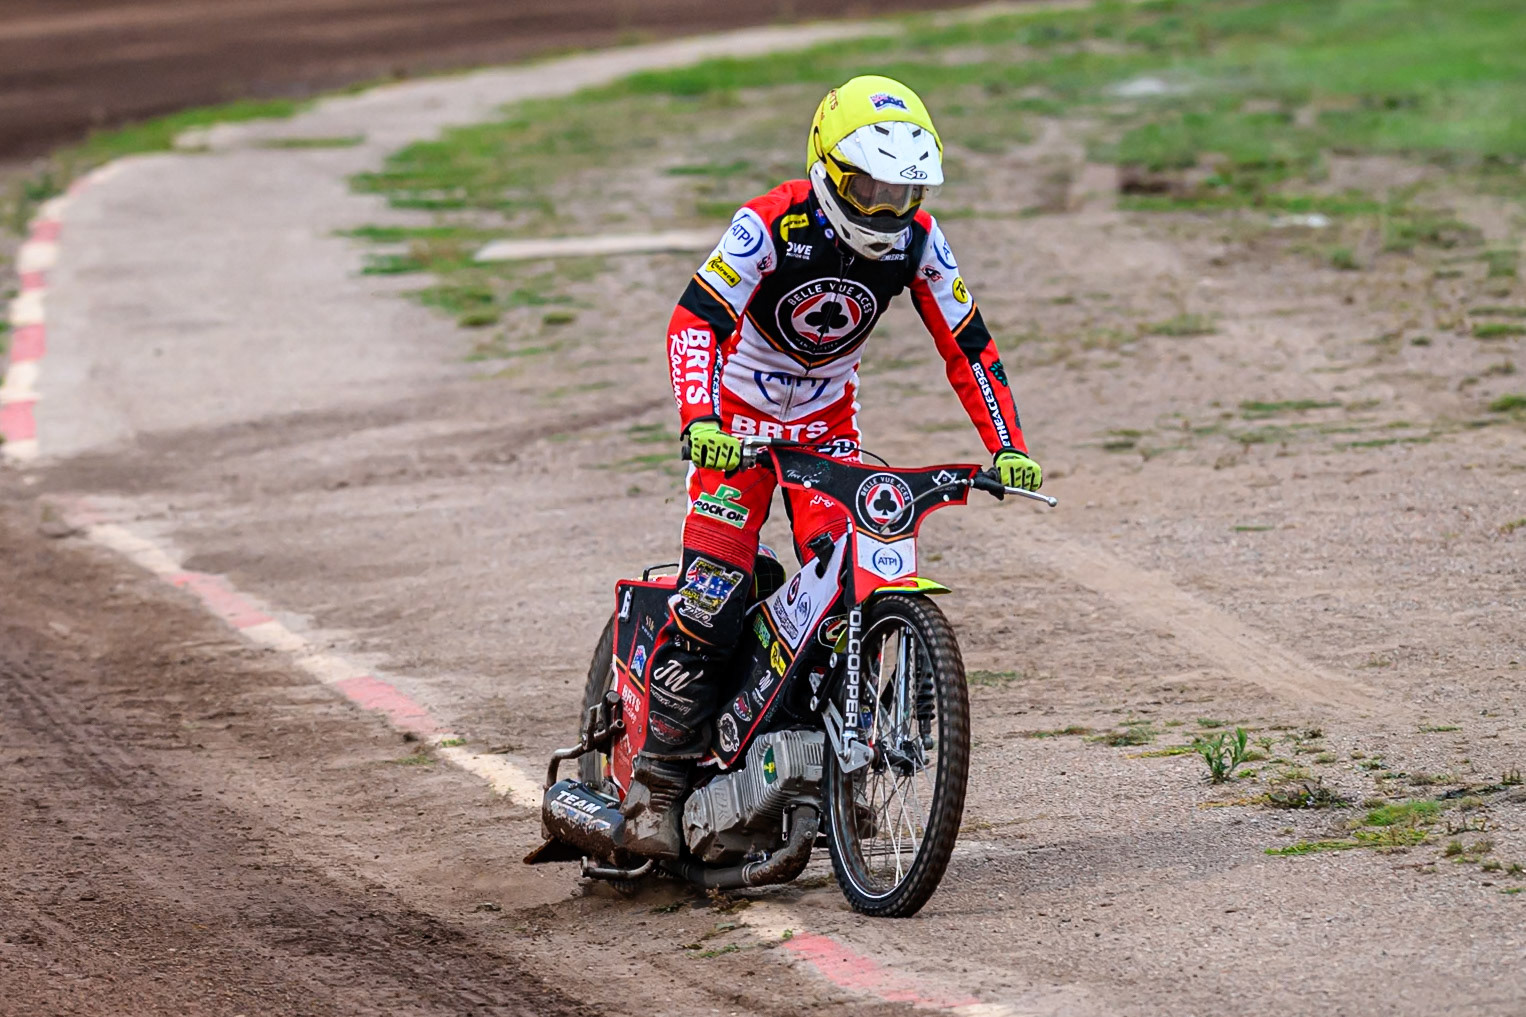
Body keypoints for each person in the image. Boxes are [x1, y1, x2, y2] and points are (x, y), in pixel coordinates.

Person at [621, 74, 1042, 858]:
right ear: (825, 168)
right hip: (737, 429)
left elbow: (969, 341)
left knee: (847, 588)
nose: (886, 208)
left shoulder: (920, 241)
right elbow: (693, 320)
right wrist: (701, 421)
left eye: (902, 191)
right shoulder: (767, 223)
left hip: (824, 434)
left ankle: (837, 778)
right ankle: (659, 781)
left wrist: (1007, 444)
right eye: (869, 188)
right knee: (714, 596)